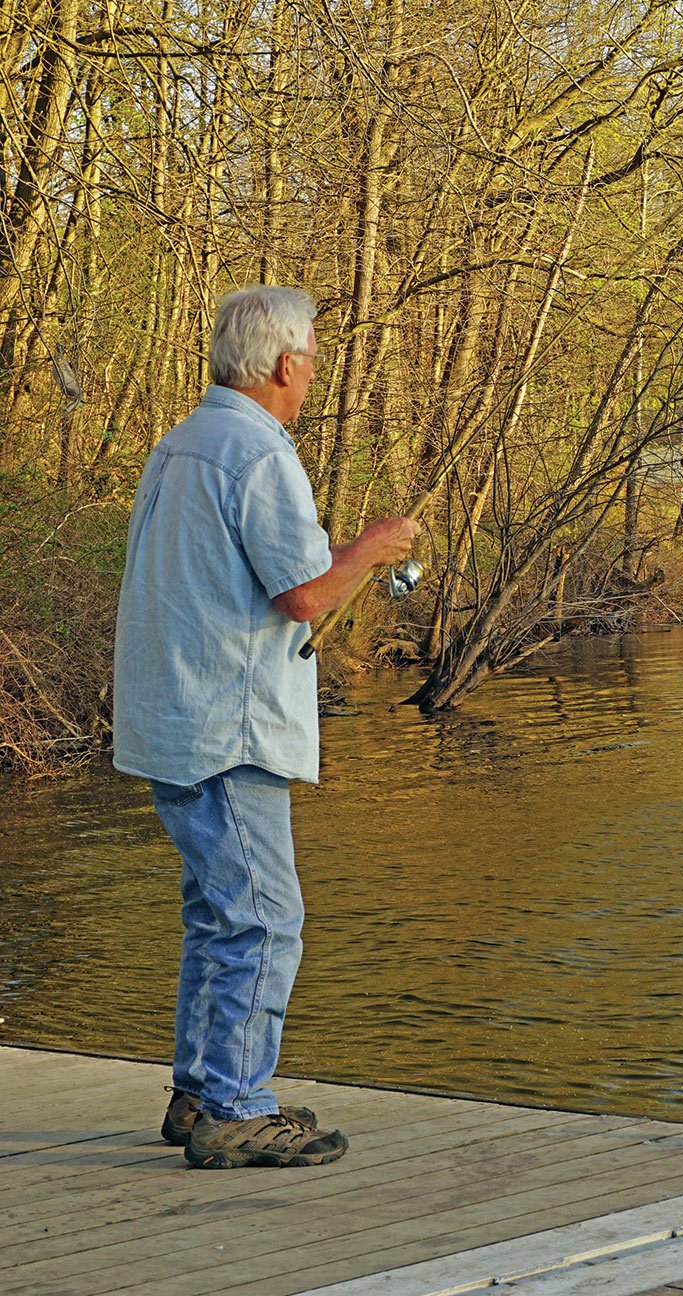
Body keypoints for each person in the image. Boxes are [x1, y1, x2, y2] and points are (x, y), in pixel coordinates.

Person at [113, 286, 420, 1169]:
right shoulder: (257, 452)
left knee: (217, 915)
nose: (314, 371)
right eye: (313, 357)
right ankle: (237, 1111)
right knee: (262, 918)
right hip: (225, 723)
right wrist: (373, 547)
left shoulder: (180, 444)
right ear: (286, 364)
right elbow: (306, 594)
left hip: (170, 714)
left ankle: (201, 1093)